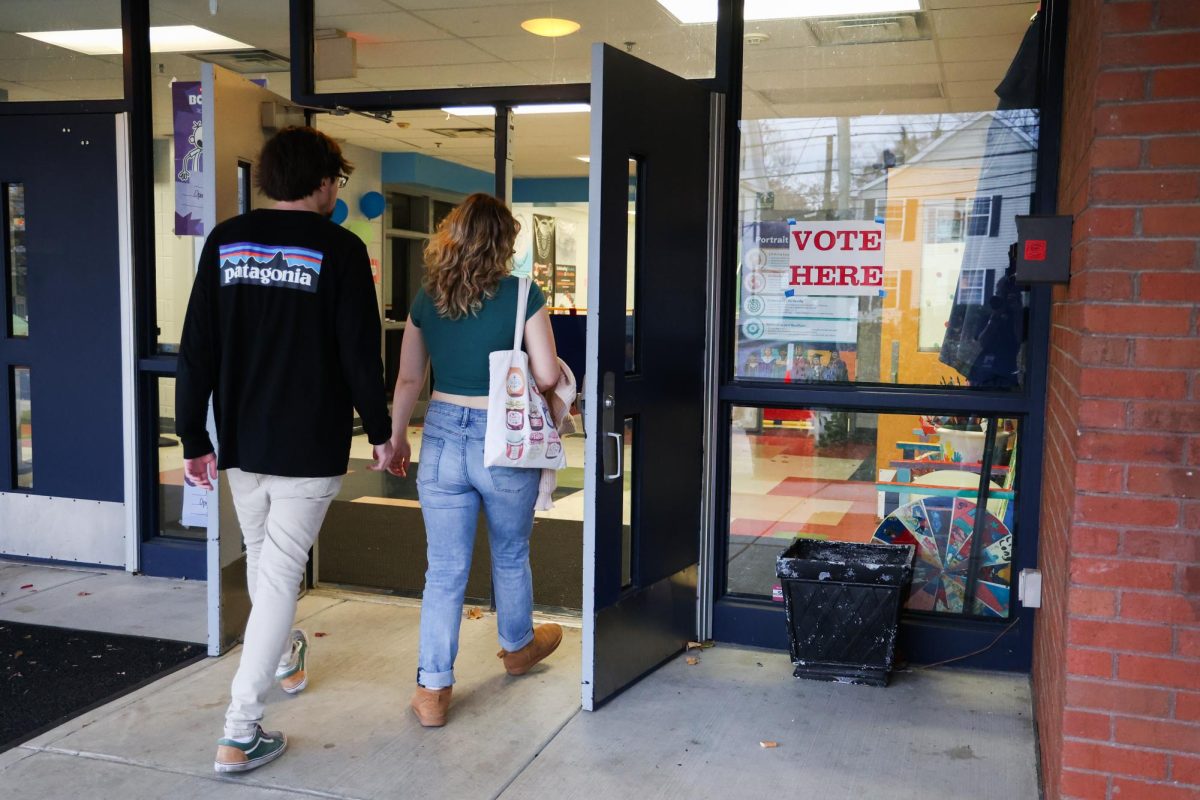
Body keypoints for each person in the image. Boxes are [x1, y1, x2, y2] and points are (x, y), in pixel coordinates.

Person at [175, 126, 394, 774]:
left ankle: (284, 654)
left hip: (243, 444)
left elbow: (197, 350)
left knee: (271, 566)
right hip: (308, 447)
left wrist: (194, 436)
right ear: (323, 182)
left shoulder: (225, 242)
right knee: (276, 576)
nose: (337, 191)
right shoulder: (341, 249)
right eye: (337, 181)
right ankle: (240, 730)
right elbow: (361, 355)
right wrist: (382, 433)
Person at [387, 193, 564, 728]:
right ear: (503, 243)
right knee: (509, 552)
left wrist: (395, 439)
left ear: (451, 236)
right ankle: (516, 649)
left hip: (440, 435)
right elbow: (550, 375)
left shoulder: (427, 298)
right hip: (502, 439)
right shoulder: (520, 295)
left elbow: (409, 379)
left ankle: (432, 691)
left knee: (443, 570)